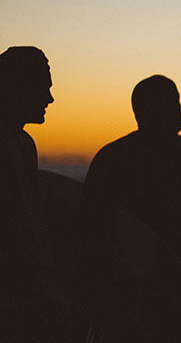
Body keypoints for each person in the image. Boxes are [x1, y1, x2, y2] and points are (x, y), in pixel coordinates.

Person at [82, 75, 181, 342]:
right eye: (172, 103)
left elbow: (88, 231)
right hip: (154, 292)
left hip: (125, 293)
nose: (179, 111)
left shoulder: (111, 157)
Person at [0, 46, 71, 340]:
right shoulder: (12, 144)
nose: (50, 99)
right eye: (43, 88)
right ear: (18, 86)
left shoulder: (21, 142)